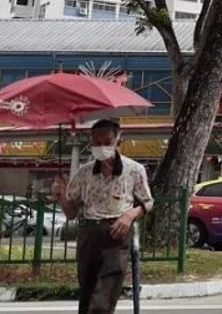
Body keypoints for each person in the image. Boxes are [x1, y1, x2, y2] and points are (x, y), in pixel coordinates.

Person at [51, 119, 153, 314]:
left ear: (118, 143)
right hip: (89, 233)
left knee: (103, 298)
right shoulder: (84, 172)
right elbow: (71, 212)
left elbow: (148, 202)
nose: (102, 147)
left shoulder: (134, 170)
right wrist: (61, 195)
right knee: (87, 294)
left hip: (116, 232)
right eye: (97, 143)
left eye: (107, 142)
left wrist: (130, 215)